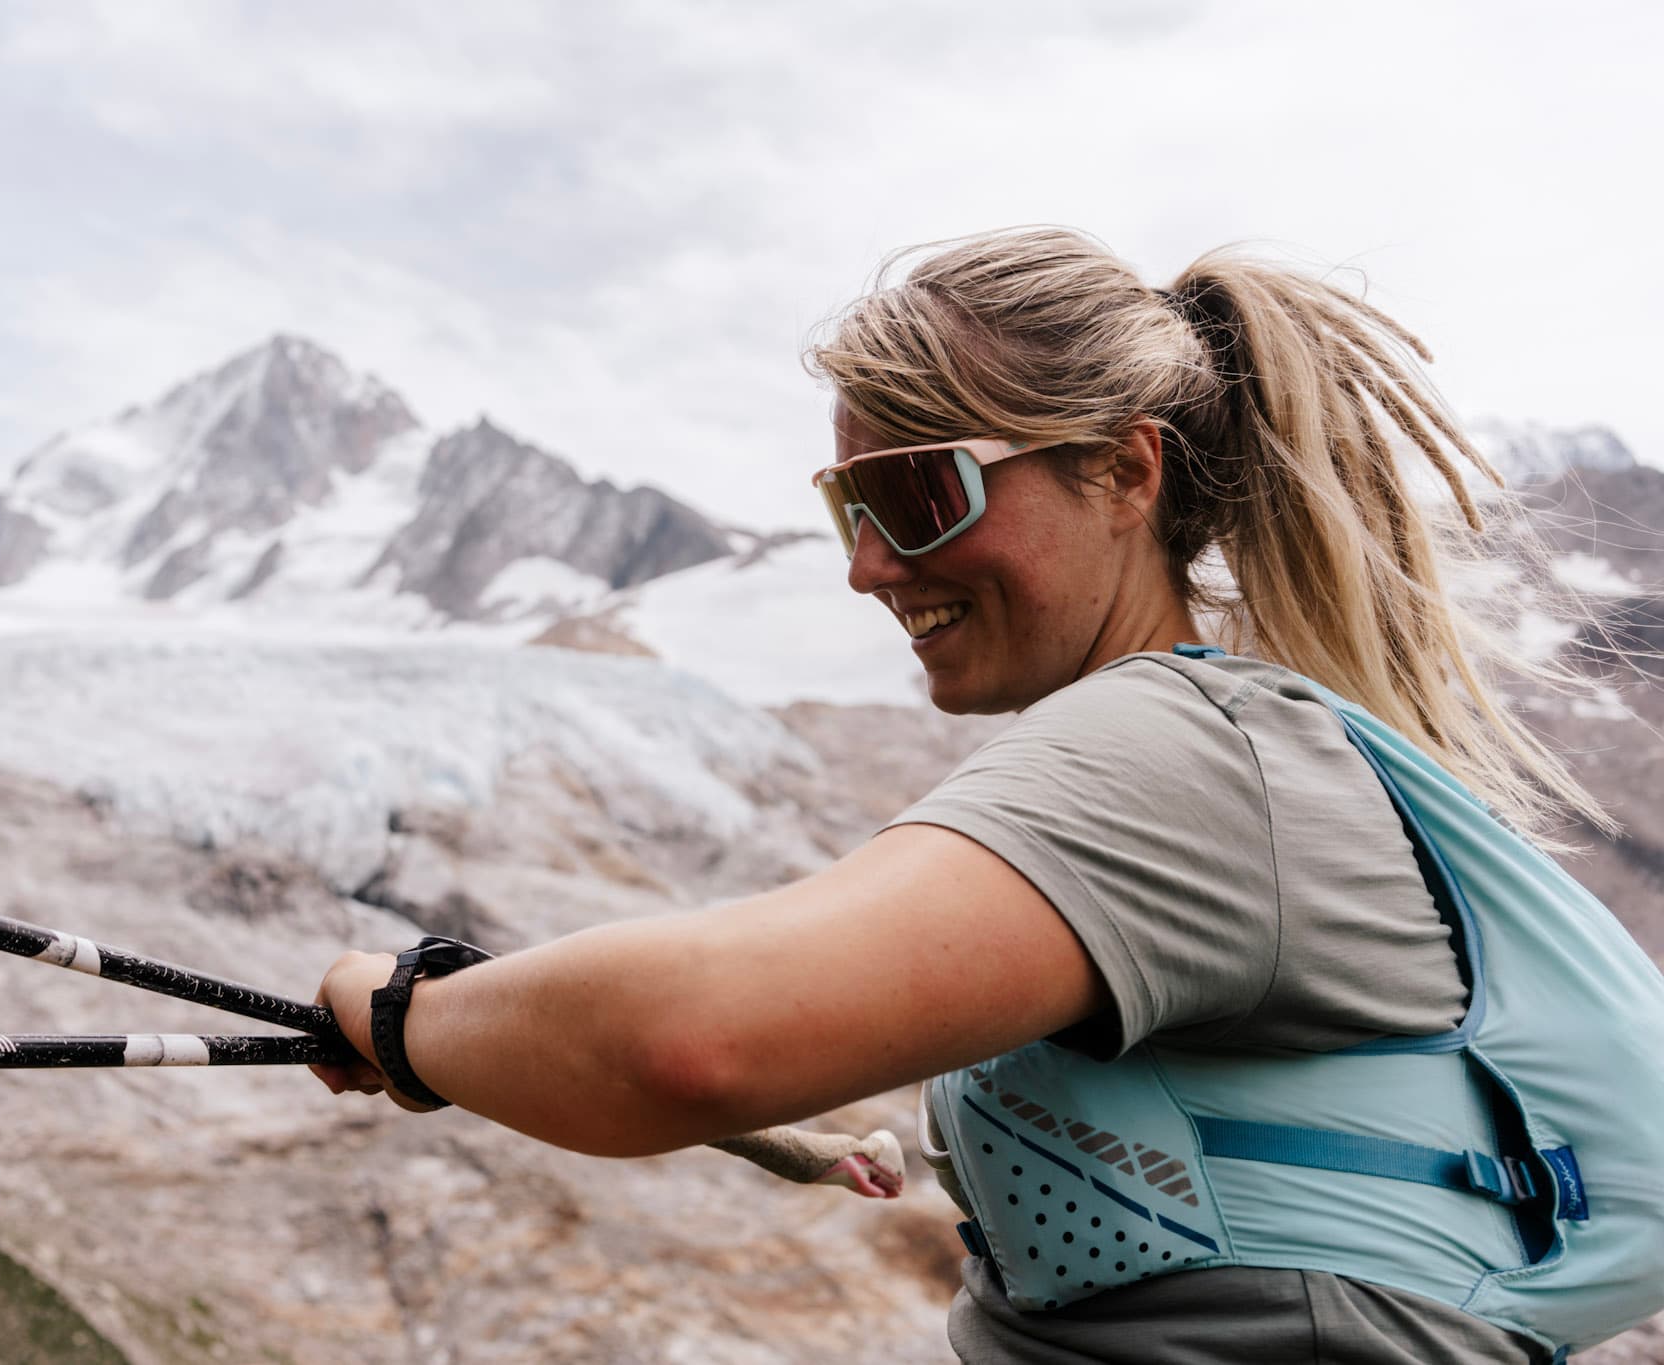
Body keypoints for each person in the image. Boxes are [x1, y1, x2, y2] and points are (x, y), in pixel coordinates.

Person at [311, 227, 1629, 1363]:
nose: (872, 567)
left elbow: (690, 1042)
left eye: (920, 491)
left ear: (1125, 470)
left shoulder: (1176, 753)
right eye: (850, 505)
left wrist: (405, 1008)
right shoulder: (1218, 740)